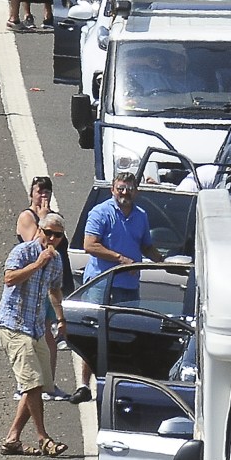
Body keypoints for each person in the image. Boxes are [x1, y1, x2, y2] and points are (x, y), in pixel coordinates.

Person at [69, 172, 163, 405]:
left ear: (136, 191)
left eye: (129, 188)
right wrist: (122, 259)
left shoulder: (141, 216)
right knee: (94, 334)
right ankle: (84, 385)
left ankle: (117, 385)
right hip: (102, 282)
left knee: (127, 335)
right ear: (113, 189)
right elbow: (90, 245)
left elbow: (146, 246)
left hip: (129, 286)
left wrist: (163, 263)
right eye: (120, 188)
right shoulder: (101, 212)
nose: (125, 193)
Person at [0, 212, 69, 457]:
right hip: (14, 326)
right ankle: (43, 438)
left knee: (39, 385)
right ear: (39, 230)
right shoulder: (23, 252)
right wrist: (37, 264)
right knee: (33, 383)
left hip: (36, 328)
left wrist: (60, 318)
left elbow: (55, 290)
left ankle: (13, 438)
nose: (51, 238)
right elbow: (9, 278)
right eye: (47, 232)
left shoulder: (57, 261)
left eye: (57, 235)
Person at [15, 176, 73, 401]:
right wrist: (42, 218)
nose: (44, 195)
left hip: (50, 282)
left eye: (47, 191)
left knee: (48, 334)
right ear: (31, 193)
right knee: (30, 335)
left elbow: (60, 247)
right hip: (32, 285)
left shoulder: (54, 219)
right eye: (40, 191)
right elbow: (34, 243)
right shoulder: (27, 217)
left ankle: (48, 384)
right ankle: (25, 384)